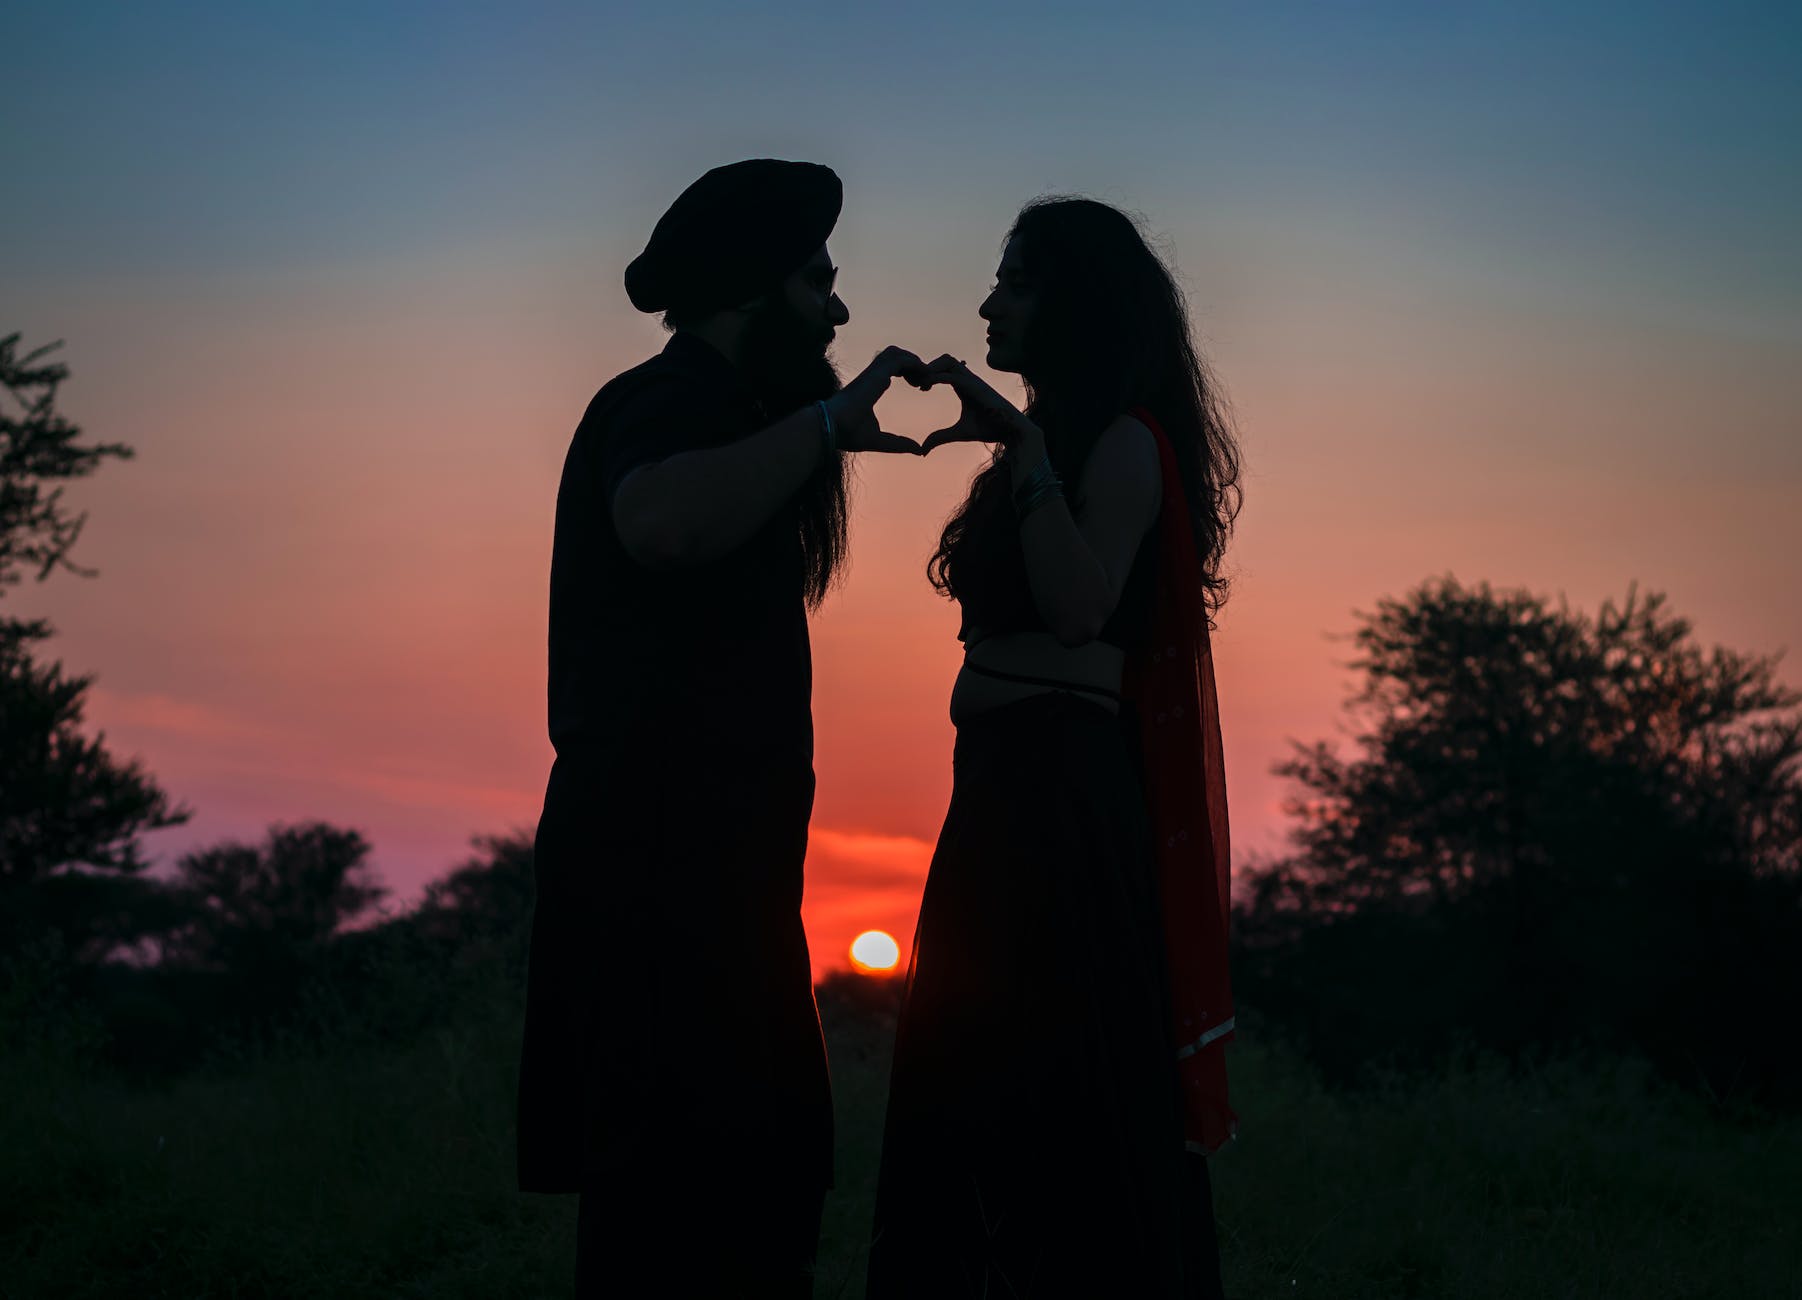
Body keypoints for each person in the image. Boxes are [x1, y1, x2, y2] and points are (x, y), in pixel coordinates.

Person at [516, 158, 926, 1298]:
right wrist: (825, 427)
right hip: (653, 891)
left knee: (751, 1210)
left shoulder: (731, 417)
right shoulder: (665, 403)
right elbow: (660, 523)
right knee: (673, 1225)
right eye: (817, 279)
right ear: (754, 287)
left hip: (718, 893)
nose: (838, 308)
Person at [866, 197, 1243, 1298]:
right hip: (995, 805)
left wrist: (1023, 447)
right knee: (971, 1079)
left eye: (1015, 283)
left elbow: (1080, 608)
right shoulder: (1047, 449)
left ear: (1074, 304)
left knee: (1051, 1087)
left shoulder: (1124, 444)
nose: (987, 303)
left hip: (1062, 818)